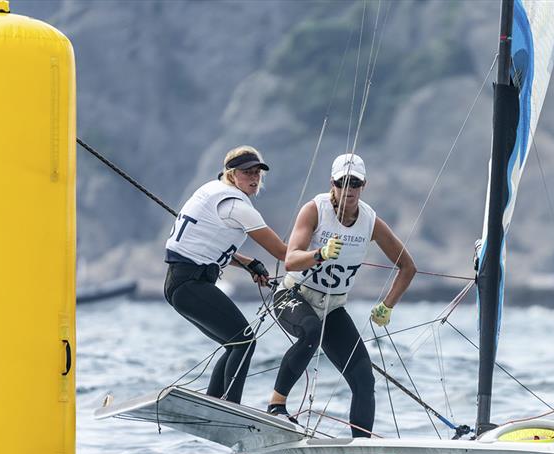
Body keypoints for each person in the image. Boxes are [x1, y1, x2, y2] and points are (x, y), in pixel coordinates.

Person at [269, 153, 416, 437]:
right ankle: (277, 406)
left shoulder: (370, 222)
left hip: (333, 306)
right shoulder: (314, 210)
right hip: (293, 294)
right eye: (342, 183)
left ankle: (362, 447)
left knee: (364, 378)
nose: (349, 190)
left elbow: (408, 267)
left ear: (364, 186)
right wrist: (319, 254)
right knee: (311, 332)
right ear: (332, 184)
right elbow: (291, 260)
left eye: (355, 184)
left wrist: (388, 306)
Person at [164, 145, 286, 404]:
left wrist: (248, 263)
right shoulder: (236, 206)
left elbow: (204, 246)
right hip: (190, 284)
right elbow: (283, 252)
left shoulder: (210, 190)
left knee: (234, 344)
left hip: (180, 283)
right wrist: (320, 255)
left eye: (257, 173)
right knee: (244, 342)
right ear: (231, 175)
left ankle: (215, 405)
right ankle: (231, 406)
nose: (254, 178)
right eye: (246, 173)